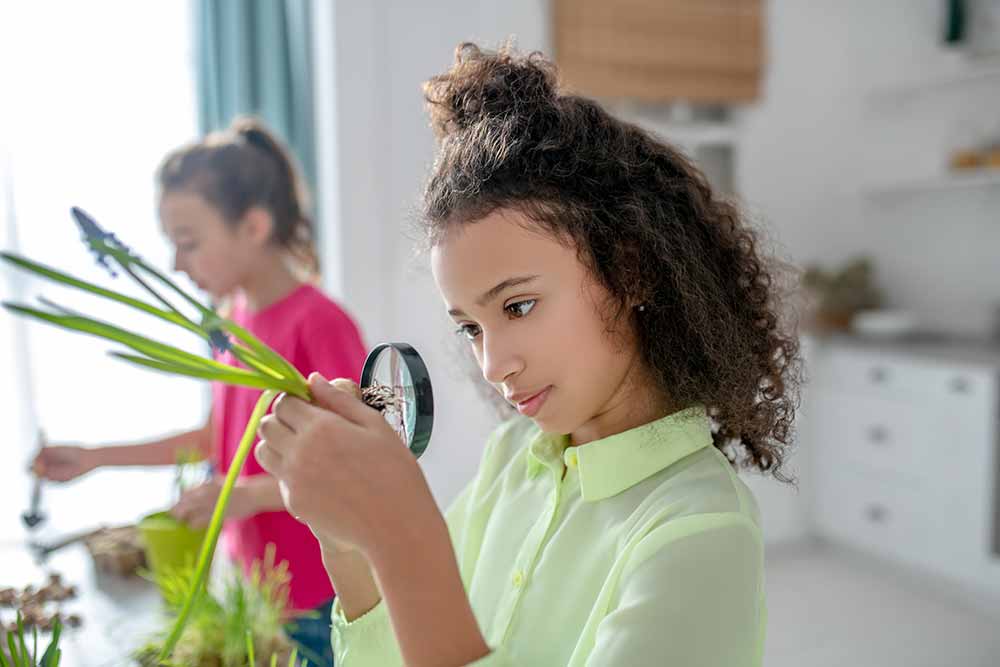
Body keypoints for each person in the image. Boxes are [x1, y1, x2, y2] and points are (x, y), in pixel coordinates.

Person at [255, 43, 802, 667]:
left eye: (517, 307)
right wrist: (349, 542)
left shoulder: (700, 534)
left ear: (629, 272)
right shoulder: (513, 458)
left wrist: (403, 535)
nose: (493, 366)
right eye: (471, 328)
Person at [32, 117, 365, 667]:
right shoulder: (231, 322)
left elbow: (355, 456)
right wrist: (96, 459)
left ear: (254, 226)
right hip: (258, 588)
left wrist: (244, 497)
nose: (175, 263)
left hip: (321, 593)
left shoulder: (318, 322)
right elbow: (220, 439)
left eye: (188, 243)